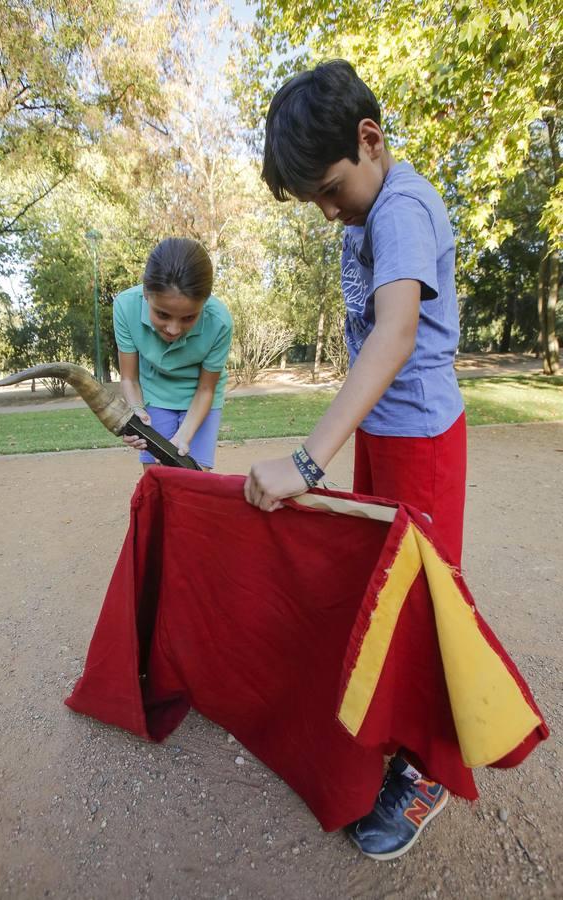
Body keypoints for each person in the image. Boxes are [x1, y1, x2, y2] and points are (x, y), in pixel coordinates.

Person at [244, 59, 466, 860]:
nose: (331, 212)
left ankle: (433, 767)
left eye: (332, 190)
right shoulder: (366, 212)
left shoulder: (402, 205)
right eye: (317, 203)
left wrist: (307, 461)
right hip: (386, 433)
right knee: (384, 590)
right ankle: (390, 730)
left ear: (370, 140)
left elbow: (397, 335)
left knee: (425, 603)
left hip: (424, 446)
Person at [113, 237, 233, 471]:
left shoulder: (220, 322)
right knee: (156, 476)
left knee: (194, 479)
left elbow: (206, 388)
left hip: (200, 396)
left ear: (205, 302)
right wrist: (136, 412)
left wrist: (183, 438)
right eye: (163, 315)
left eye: (189, 317)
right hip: (155, 393)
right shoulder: (125, 307)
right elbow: (129, 378)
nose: (173, 329)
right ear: (147, 292)